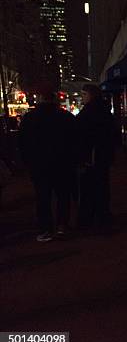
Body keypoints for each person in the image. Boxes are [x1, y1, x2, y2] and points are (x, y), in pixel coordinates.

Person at [19, 91, 77, 241]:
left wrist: (27, 162)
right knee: (63, 196)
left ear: (39, 99)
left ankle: (45, 228)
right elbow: (75, 141)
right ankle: (62, 225)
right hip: (62, 164)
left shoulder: (29, 118)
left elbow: (22, 143)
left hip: (39, 165)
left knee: (42, 197)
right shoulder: (65, 117)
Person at [76, 84, 115, 233]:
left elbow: (81, 137)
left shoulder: (88, 113)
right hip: (102, 157)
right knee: (102, 188)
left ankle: (89, 219)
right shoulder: (105, 111)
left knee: (88, 190)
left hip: (91, 158)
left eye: (84, 94)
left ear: (91, 95)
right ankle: (102, 216)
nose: (82, 97)